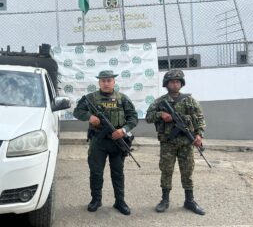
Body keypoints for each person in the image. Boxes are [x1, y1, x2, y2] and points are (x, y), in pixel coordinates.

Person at [73, 70, 138, 215]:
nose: (106, 83)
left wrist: (123, 130)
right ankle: (96, 200)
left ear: (114, 82)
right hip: (98, 142)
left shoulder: (122, 99)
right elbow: (77, 112)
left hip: (117, 142)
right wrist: (89, 117)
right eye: (103, 81)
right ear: (99, 82)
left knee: (118, 173)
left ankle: (119, 201)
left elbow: (133, 118)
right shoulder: (90, 98)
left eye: (109, 80)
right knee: (96, 172)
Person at [145, 69, 206, 215]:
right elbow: (148, 117)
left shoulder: (190, 101)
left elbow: (200, 118)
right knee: (166, 171)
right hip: (168, 143)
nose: (175, 84)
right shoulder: (160, 102)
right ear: (166, 84)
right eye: (172, 81)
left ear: (182, 83)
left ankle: (189, 200)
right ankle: (165, 200)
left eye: (178, 81)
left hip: (186, 143)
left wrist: (199, 135)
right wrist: (161, 114)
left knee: (187, 171)